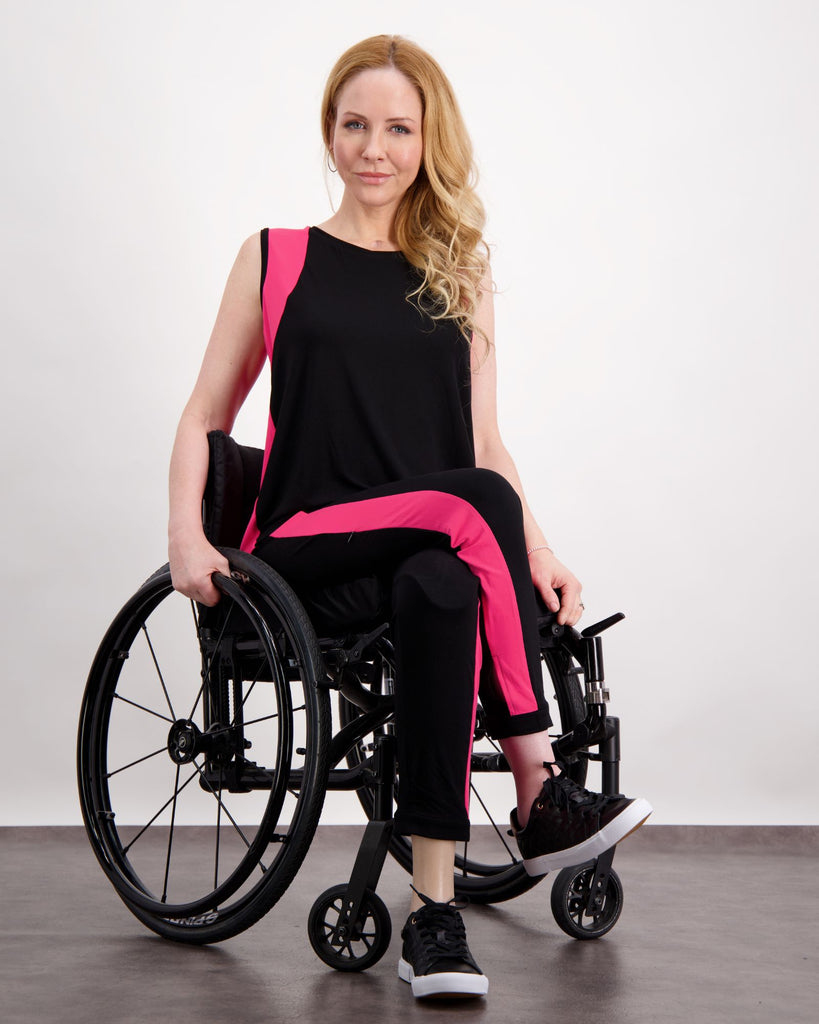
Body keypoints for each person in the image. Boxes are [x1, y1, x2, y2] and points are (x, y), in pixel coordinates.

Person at [168, 34, 651, 1000]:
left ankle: (432, 920)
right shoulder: (278, 256)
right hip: (303, 544)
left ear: (429, 142)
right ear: (329, 135)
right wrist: (187, 536)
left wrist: (540, 554)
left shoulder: (456, 274)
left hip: (427, 543)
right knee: (473, 512)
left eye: (397, 128)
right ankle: (538, 786)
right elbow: (203, 414)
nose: (374, 148)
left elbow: (485, 448)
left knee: (441, 583)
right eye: (355, 126)